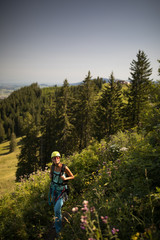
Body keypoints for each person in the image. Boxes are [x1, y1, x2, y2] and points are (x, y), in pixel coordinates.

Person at [49, 151, 74, 238]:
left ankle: (58, 231)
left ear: (59, 158)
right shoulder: (52, 167)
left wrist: (65, 178)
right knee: (55, 207)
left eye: (57, 157)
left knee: (56, 209)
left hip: (62, 192)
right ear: (52, 159)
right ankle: (57, 222)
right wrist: (50, 176)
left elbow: (72, 176)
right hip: (54, 190)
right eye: (54, 158)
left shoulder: (64, 167)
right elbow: (51, 175)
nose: (56, 159)